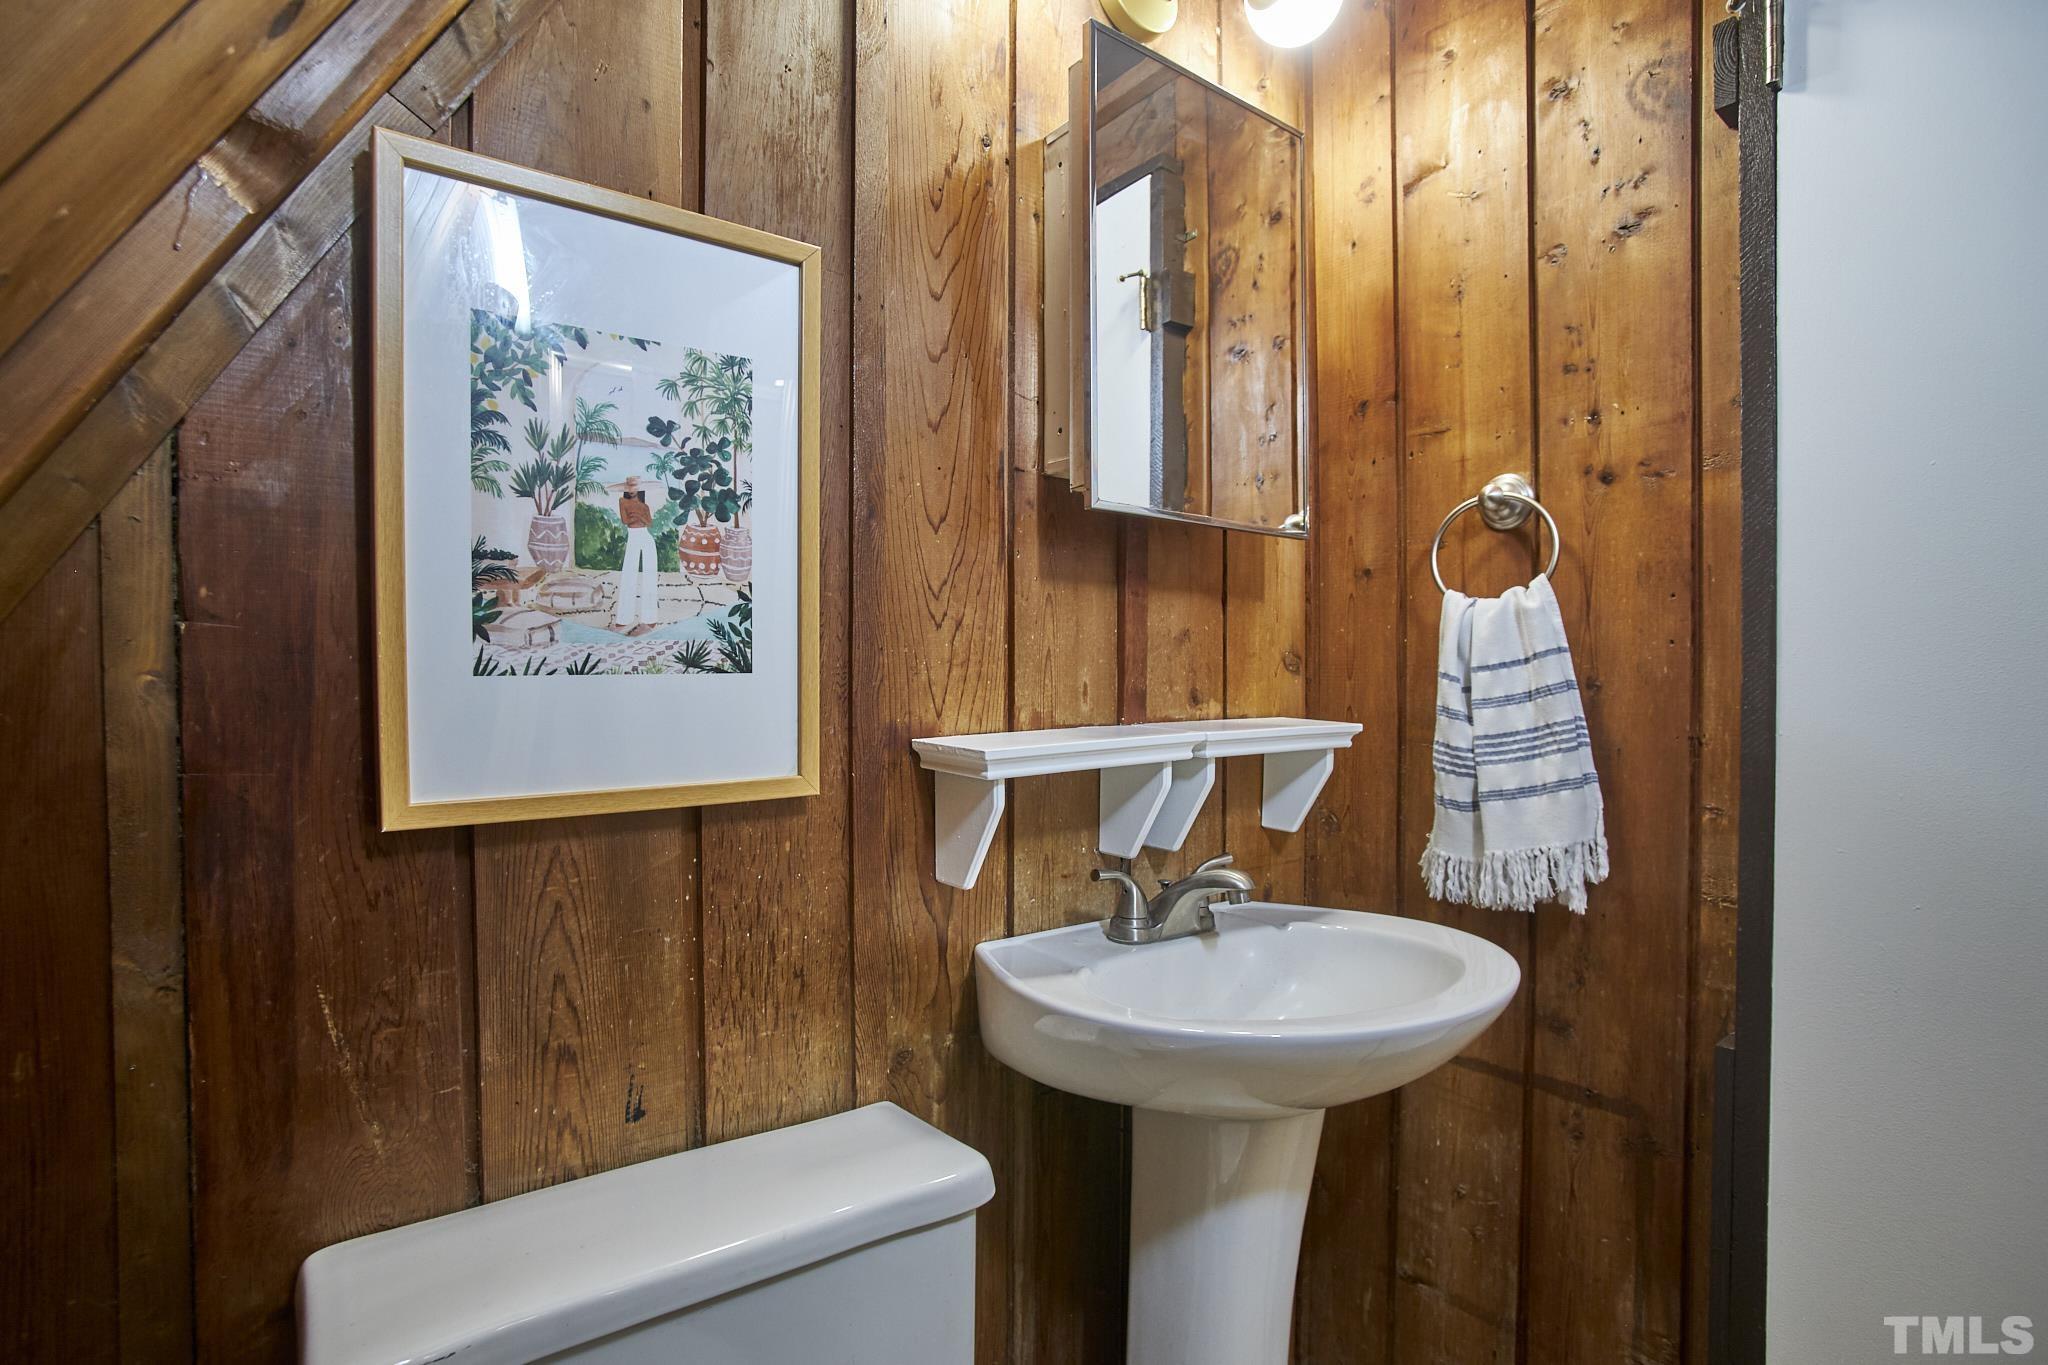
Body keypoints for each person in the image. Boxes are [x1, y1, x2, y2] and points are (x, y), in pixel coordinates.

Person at [612, 475, 659, 631]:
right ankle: (623, 619)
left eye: (634, 488)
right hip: (633, 537)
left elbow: (649, 522)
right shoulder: (622, 502)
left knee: (649, 576)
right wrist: (639, 517)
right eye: (629, 488)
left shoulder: (644, 506)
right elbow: (625, 521)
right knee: (629, 575)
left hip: (646, 537)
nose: (632, 491)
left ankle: (650, 618)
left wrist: (639, 516)